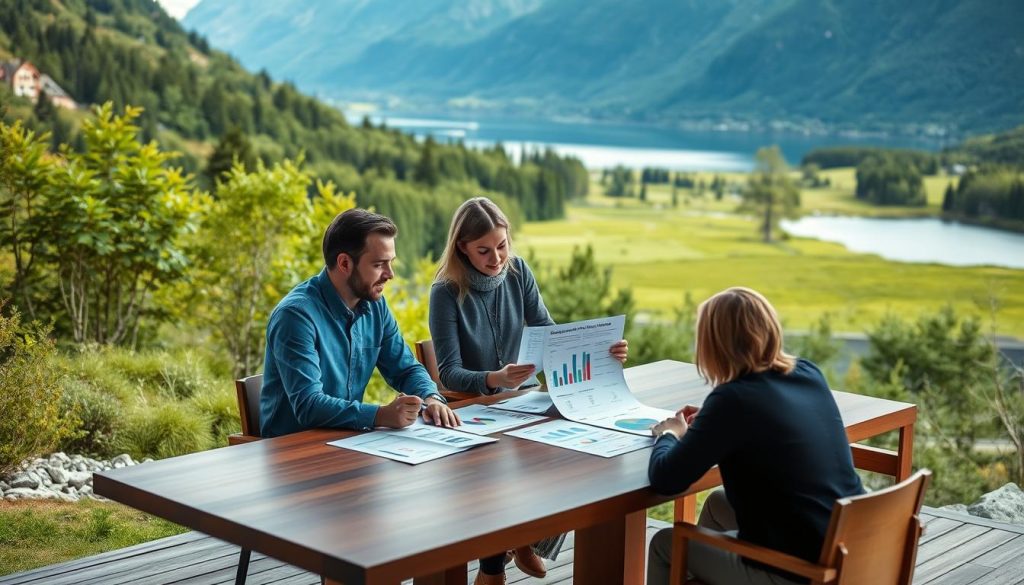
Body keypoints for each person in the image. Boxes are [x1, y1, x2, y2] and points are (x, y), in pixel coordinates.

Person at [429, 196, 628, 584]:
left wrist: (604, 350)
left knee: (581, 454)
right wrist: (494, 379)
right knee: (495, 466)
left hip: (524, 401)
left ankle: (527, 538)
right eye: (484, 250)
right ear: (462, 248)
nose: (497, 258)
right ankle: (491, 568)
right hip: (475, 407)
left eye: (502, 246)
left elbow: (553, 335)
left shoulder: (519, 272)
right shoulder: (446, 291)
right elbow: (448, 374)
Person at [646, 287, 864, 585]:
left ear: (714, 344)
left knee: (664, 544)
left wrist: (670, 433)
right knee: (716, 504)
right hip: (846, 545)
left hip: (801, 571)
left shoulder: (733, 400)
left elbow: (666, 480)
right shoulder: (807, 373)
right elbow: (762, 420)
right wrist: (712, 422)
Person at [260, 208, 460, 438]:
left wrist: (431, 398)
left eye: (391, 262)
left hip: (346, 441)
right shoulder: (295, 316)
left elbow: (405, 369)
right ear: (344, 263)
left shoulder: (375, 305)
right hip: (293, 452)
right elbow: (308, 405)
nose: (390, 274)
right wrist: (380, 415)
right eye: (378, 264)